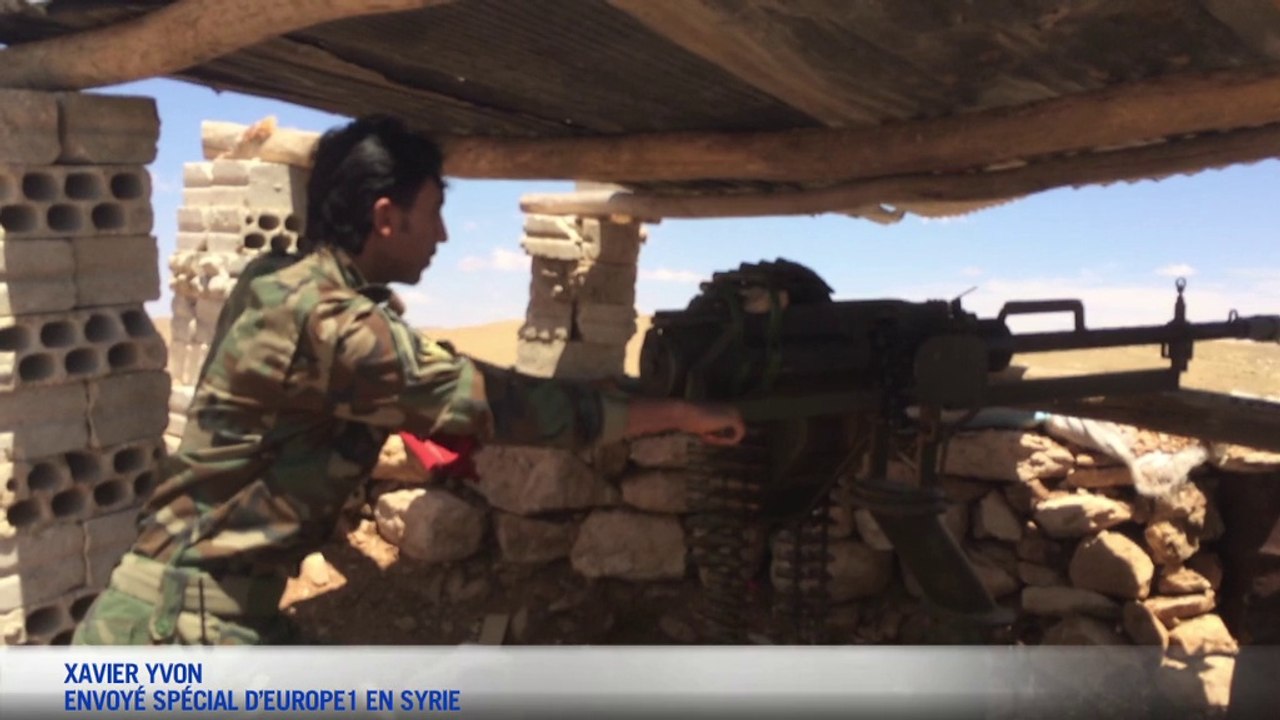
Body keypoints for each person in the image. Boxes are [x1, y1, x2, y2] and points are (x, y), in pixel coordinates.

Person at [71, 115, 745, 645]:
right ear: (386, 217)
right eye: (433, 212)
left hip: (179, 611)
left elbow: (406, 377)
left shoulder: (277, 281)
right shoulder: (338, 327)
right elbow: (510, 406)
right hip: (180, 634)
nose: (444, 235)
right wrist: (680, 416)